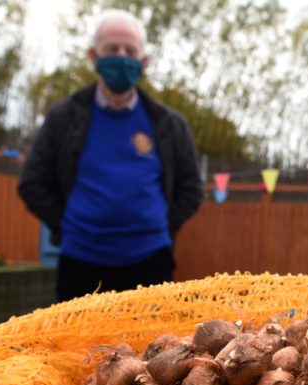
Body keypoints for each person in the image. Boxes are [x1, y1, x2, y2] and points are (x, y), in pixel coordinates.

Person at [18, 9, 204, 302]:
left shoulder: (169, 124)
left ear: (143, 61)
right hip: (80, 263)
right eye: (111, 49)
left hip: (150, 264)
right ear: (94, 56)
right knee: (75, 347)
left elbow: (192, 189)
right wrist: (66, 227)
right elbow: (32, 183)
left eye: (129, 50)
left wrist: (162, 229)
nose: (121, 56)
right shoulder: (64, 117)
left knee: (150, 347)